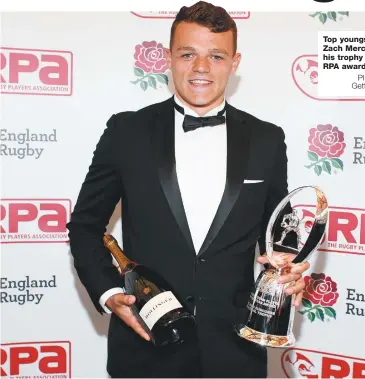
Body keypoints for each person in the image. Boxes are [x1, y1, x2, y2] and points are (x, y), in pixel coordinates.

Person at [66, 1, 311, 378]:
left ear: (235, 62)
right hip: (145, 344)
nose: (200, 68)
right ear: (168, 57)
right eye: (188, 54)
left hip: (236, 350)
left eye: (216, 55)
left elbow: (278, 232)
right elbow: (84, 226)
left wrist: (287, 265)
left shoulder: (267, 139)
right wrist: (109, 293)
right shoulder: (126, 132)